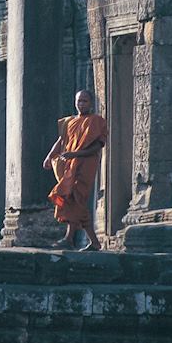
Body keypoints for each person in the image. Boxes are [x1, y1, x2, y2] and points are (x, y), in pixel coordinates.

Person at [43, 90, 106, 251]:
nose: (81, 104)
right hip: (70, 166)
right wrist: (49, 156)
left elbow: (97, 146)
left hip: (85, 165)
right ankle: (94, 242)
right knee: (70, 198)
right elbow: (61, 140)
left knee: (76, 197)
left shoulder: (96, 121)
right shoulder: (69, 121)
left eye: (85, 101)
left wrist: (75, 154)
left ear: (91, 103)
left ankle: (68, 238)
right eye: (79, 101)